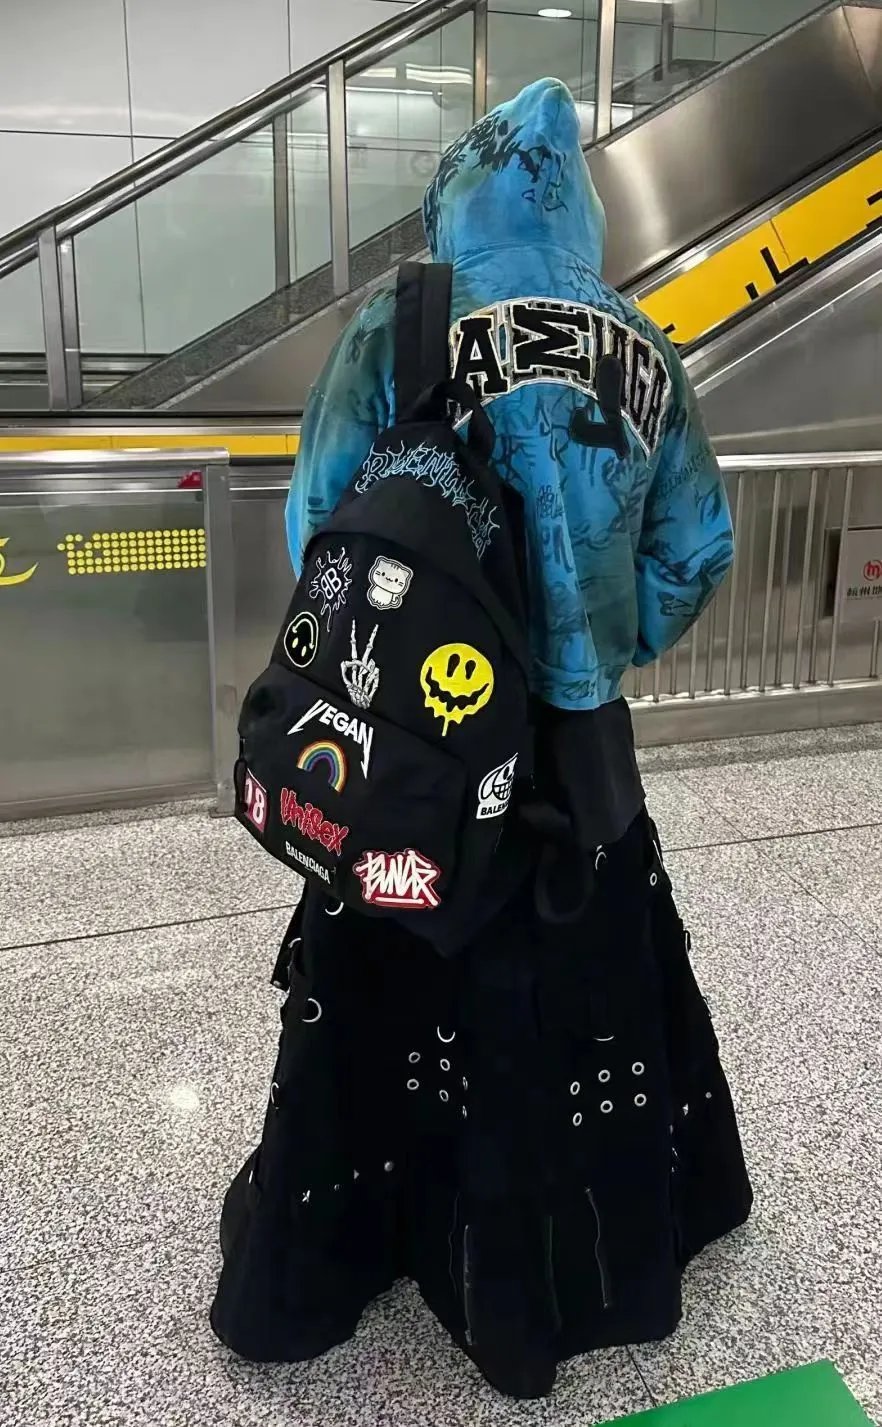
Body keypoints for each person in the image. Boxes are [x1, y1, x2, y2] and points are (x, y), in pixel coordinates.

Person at [210, 77, 752, 1400]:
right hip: (582, 763)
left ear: (457, 194)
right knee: (579, 991)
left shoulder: (400, 323)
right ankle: (570, 1267)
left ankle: (358, 1228)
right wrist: (603, 642)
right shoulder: (641, 342)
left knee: (391, 973)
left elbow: (323, 530)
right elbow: (696, 550)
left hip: (423, 752)